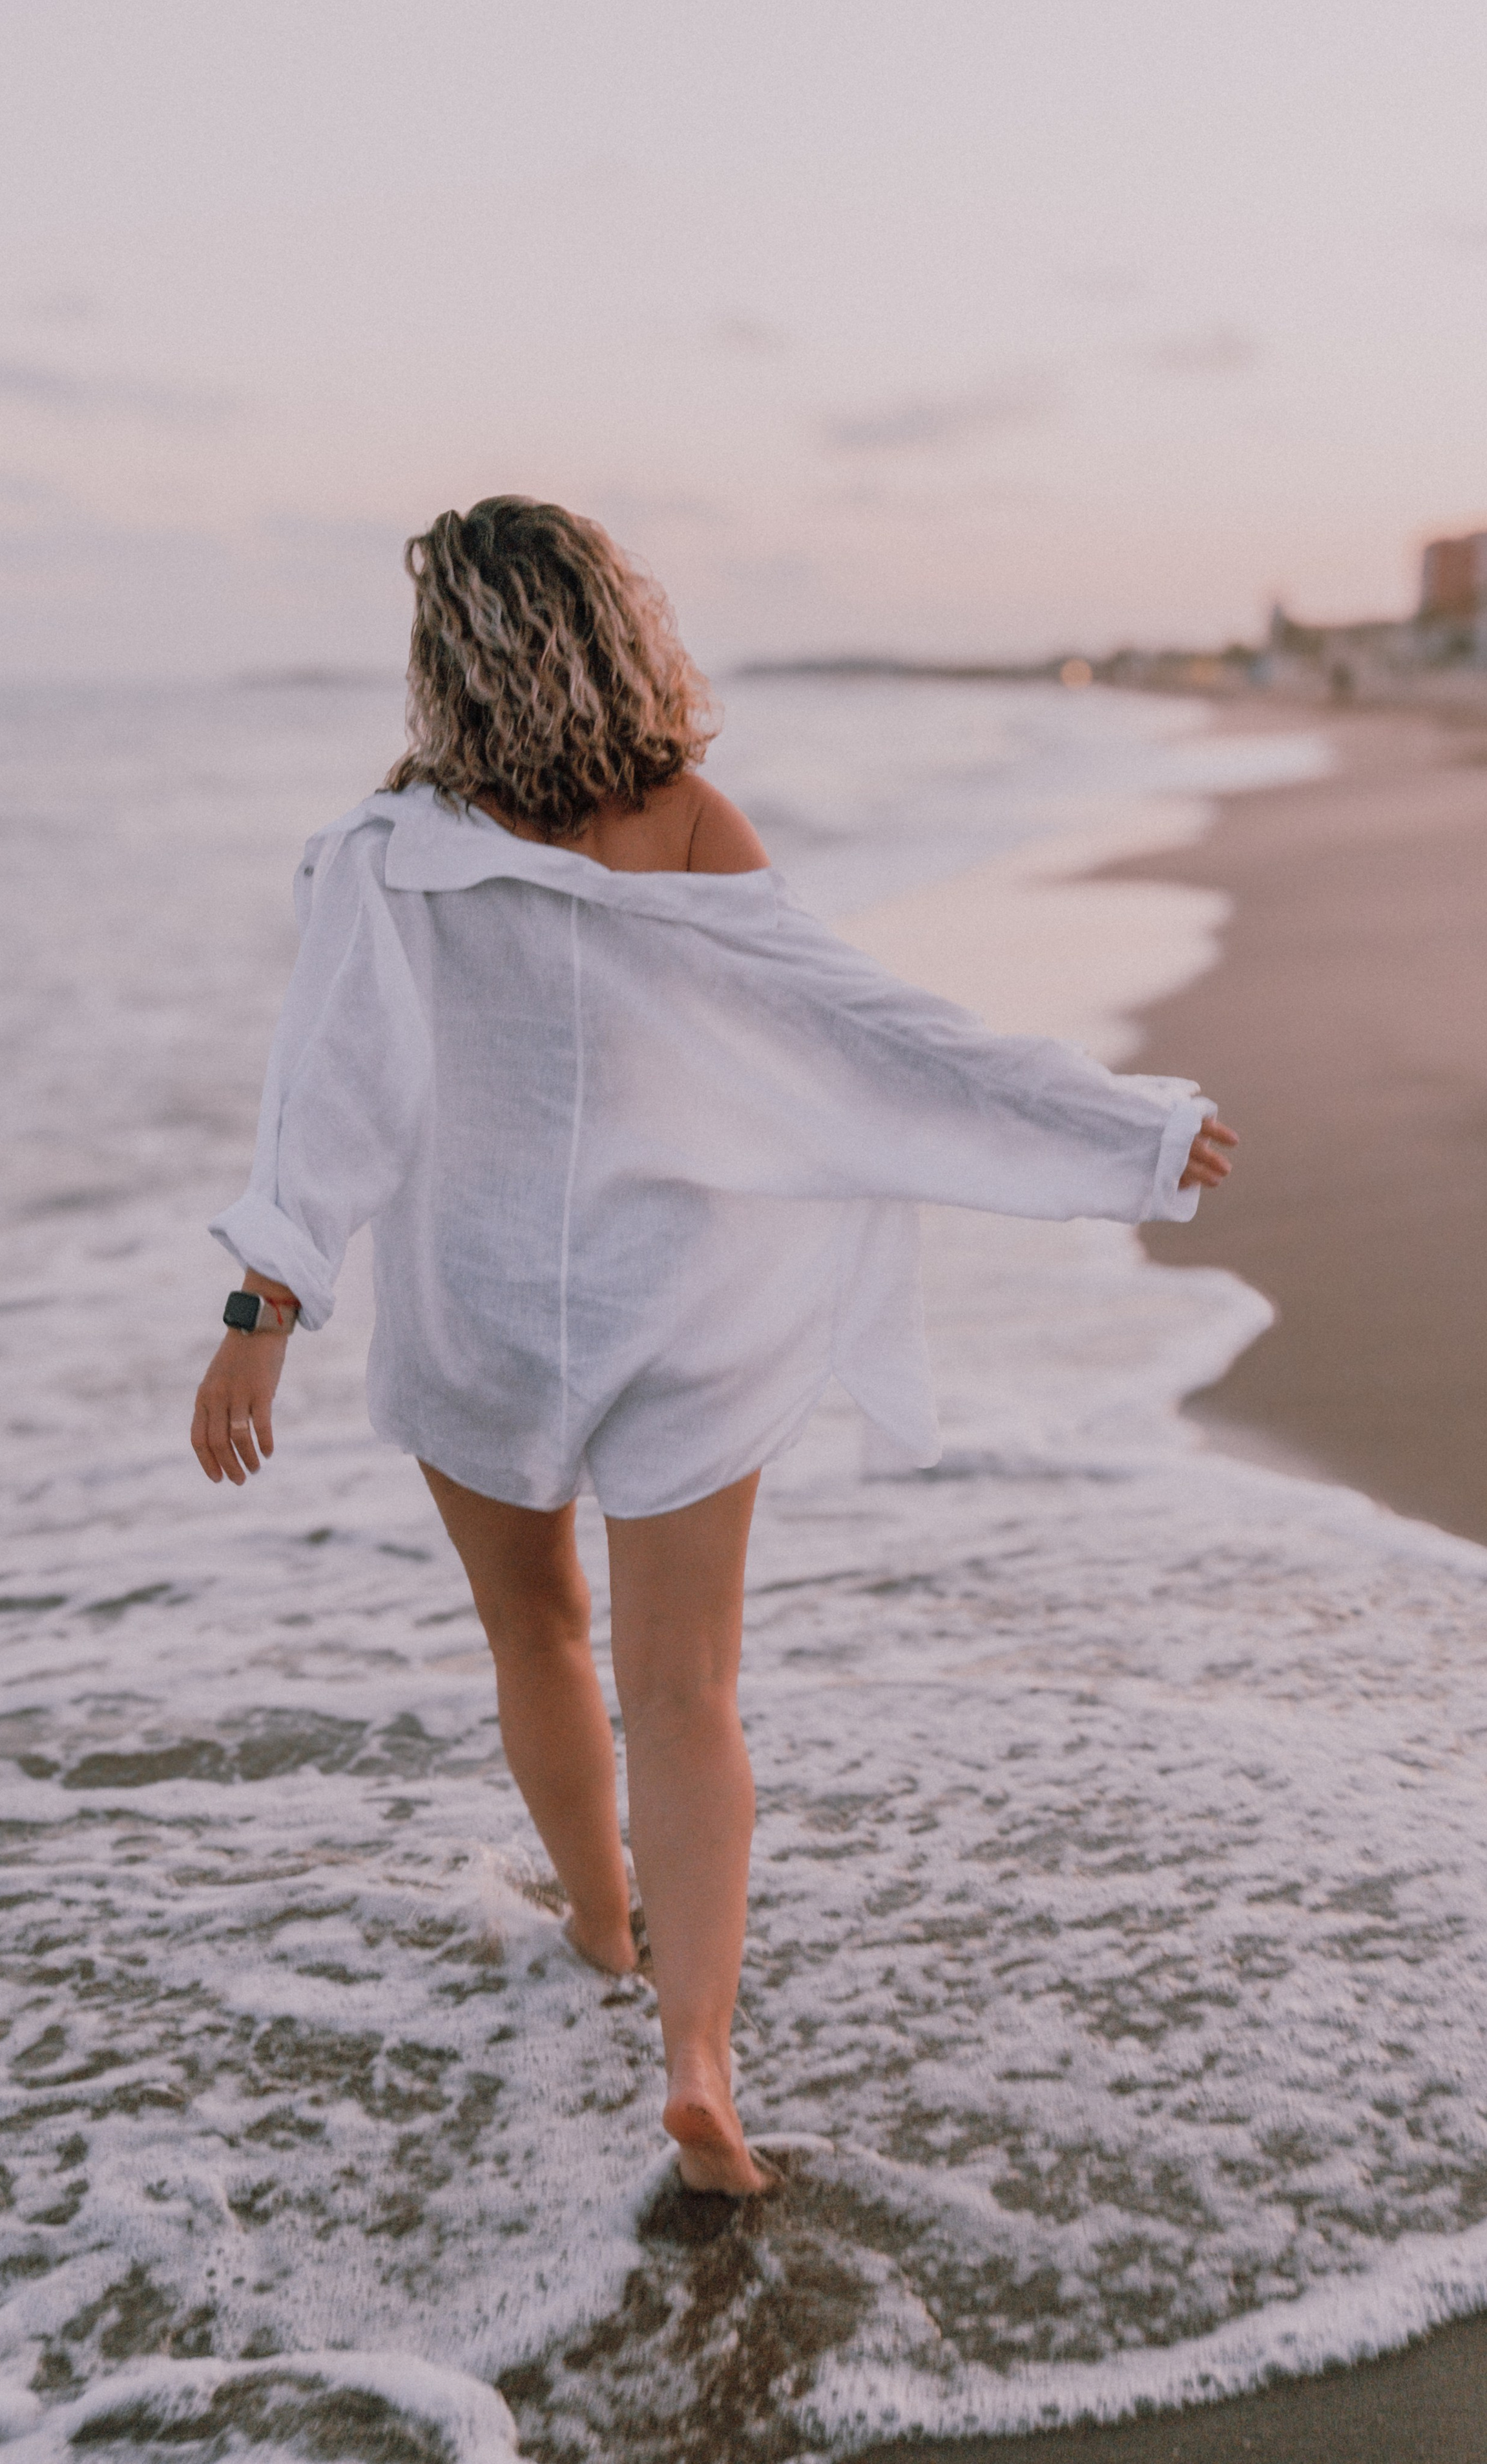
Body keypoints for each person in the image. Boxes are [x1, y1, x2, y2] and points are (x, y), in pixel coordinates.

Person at [191, 497, 1237, 2197]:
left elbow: (328, 1108)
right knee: (689, 1688)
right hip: (681, 1298)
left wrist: (261, 1314)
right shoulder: (678, 818)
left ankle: (602, 1936)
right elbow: (867, 1023)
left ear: (446, 658)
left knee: (538, 1639)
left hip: (477, 1313)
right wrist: (1119, 1127)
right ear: (616, 627)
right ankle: (697, 2059)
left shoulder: (384, 854)